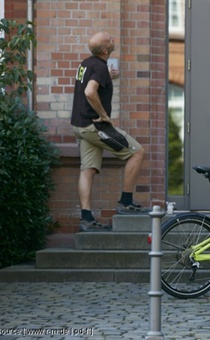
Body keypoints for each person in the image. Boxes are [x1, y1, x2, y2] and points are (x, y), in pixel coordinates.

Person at [71, 32, 147, 232]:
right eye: (109, 39)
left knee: (87, 170)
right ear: (105, 50)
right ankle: (126, 202)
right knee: (137, 152)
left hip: (79, 126)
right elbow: (89, 91)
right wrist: (104, 115)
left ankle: (86, 218)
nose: (113, 38)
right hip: (93, 125)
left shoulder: (87, 63)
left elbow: (89, 82)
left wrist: (108, 77)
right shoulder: (99, 67)